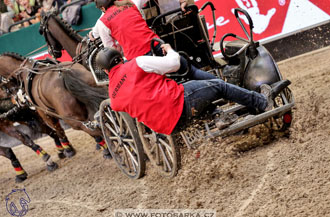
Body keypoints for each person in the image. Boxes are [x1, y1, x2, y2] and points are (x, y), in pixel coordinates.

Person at [95, 45, 290, 135]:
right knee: (217, 86)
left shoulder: (113, 97)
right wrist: (170, 49)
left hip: (168, 128)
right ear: (120, 58)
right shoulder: (136, 63)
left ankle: (216, 117)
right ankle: (263, 102)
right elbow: (173, 64)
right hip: (180, 104)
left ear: (105, 71)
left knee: (196, 95)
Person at [92, 0, 216, 81]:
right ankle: (219, 83)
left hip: (139, 60)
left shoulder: (102, 22)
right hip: (157, 45)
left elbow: (113, 51)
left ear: (102, 7)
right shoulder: (130, 3)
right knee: (191, 71)